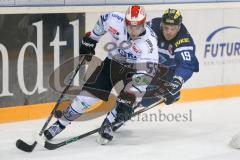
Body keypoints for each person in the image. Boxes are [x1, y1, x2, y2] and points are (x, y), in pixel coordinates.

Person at [43, 5, 160, 145]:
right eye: (130, 27)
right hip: (112, 63)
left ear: (144, 24)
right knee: (85, 99)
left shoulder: (149, 44)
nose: (133, 31)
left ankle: (109, 124)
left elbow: (145, 75)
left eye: (137, 27)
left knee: (126, 101)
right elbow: (102, 22)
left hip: (134, 71)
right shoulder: (115, 20)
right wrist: (92, 39)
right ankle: (60, 124)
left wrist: (131, 98)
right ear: (125, 23)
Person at [102, 8, 199, 136]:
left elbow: (186, 66)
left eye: (173, 28)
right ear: (162, 24)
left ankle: (125, 111)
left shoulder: (184, 40)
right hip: (148, 67)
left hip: (168, 73)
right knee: (133, 90)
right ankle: (112, 119)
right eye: (166, 27)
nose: (169, 32)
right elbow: (134, 40)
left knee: (146, 98)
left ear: (179, 26)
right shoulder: (152, 26)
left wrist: (175, 83)